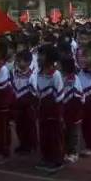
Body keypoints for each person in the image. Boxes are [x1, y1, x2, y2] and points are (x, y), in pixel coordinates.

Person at [35, 44, 64, 172]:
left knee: (54, 136)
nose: (39, 58)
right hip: (43, 110)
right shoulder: (39, 73)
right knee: (44, 134)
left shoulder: (56, 75)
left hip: (53, 111)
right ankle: (46, 157)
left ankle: (56, 160)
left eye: (42, 55)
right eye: (39, 55)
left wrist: (54, 109)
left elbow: (60, 94)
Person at [11, 50, 38, 154]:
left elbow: (34, 92)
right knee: (19, 126)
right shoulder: (15, 73)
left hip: (27, 106)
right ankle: (22, 144)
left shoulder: (31, 76)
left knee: (29, 126)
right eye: (17, 60)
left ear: (28, 62)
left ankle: (31, 145)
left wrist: (29, 103)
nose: (18, 62)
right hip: (18, 104)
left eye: (20, 61)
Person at [61, 56, 84, 163]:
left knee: (73, 132)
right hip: (65, 109)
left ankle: (73, 153)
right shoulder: (62, 77)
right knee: (65, 131)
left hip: (74, 111)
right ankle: (66, 150)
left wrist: (73, 113)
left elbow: (76, 99)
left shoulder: (73, 80)